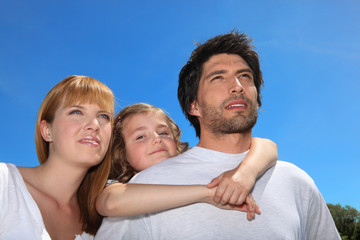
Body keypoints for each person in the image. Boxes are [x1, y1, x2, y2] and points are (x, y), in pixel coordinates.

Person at [96, 32, 341, 240]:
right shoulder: (143, 188)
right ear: (194, 106)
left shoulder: (297, 181)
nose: (237, 86)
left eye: (245, 76)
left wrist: (246, 172)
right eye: (218, 78)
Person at [96, 103, 278, 219]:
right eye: (141, 136)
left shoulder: (193, 165)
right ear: (122, 152)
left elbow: (267, 146)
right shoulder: (122, 185)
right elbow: (110, 202)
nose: (156, 139)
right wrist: (207, 194)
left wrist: (245, 172)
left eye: (163, 133)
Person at [0, 75, 114, 239]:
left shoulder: (105, 219)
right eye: (76, 112)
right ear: (47, 131)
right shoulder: (4, 183)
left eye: (104, 116)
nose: (95, 125)